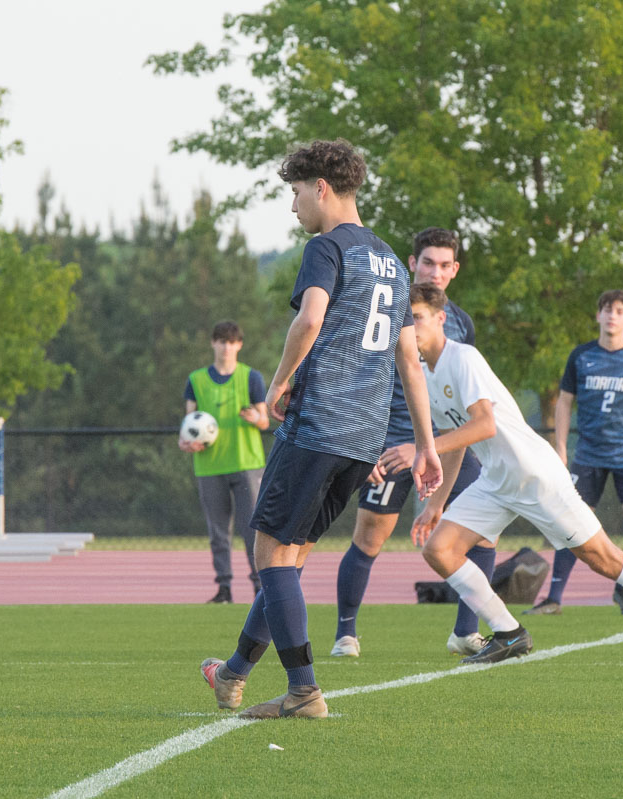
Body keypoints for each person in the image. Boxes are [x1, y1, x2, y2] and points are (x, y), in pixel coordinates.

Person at [198, 139, 442, 719]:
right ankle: (232, 672)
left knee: (270, 557)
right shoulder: (387, 257)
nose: (293, 206)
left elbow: (309, 320)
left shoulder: (325, 248)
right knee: (290, 556)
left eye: (296, 192)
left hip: (316, 427)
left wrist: (279, 383)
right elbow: (410, 360)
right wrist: (427, 446)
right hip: (364, 441)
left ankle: (304, 691)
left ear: (322, 189)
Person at [395, 283, 623, 666]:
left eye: (417, 317)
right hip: (497, 481)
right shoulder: (421, 373)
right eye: (405, 319)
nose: (411, 327)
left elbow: (484, 426)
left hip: (535, 476)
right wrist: (436, 505)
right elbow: (454, 438)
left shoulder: (462, 358)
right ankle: (508, 632)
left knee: (603, 558)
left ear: (440, 319)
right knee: (439, 549)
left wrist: (421, 449)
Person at [330, 227, 489, 658]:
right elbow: (361, 376)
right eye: (427, 262)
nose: (434, 272)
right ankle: (346, 633)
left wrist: (444, 443)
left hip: (446, 443)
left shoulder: (460, 322)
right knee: (370, 537)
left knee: (485, 532)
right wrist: (367, 444)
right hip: (392, 444)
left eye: (443, 265)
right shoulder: (384, 308)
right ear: (411, 261)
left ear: (454, 271)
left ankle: (466, 632)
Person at [524, 290, 623, 616]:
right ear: (598, 316)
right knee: (570, 524)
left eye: (619, 311)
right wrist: (560, 446)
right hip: (588, 455)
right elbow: (564, 401)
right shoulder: (581, 356)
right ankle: (554, 599)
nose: (612, 315)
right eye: (606, 310)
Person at [180, 320, 270, 603]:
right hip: (210, 466)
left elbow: (265, 420)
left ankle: (260, 587)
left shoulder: (251, 377)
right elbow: (189, 422)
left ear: (239, 345)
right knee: (218, 533)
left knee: (251, 530)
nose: (226, 347)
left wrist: (256, 418)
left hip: (246, 464)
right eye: (221, 341)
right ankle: (224, 588)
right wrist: (186, 442)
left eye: (231, 342)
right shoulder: (196, 380)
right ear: (213, 343)